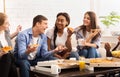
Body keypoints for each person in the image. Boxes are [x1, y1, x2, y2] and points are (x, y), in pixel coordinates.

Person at [0, 12, 18, 77]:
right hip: (2, 59)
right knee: (8, 57)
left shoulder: (6, 31)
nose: (9, 25)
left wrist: (16, 32)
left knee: (10, 57)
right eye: (6, 23)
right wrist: (1, 53)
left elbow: (8, 38)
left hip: (10, 57)